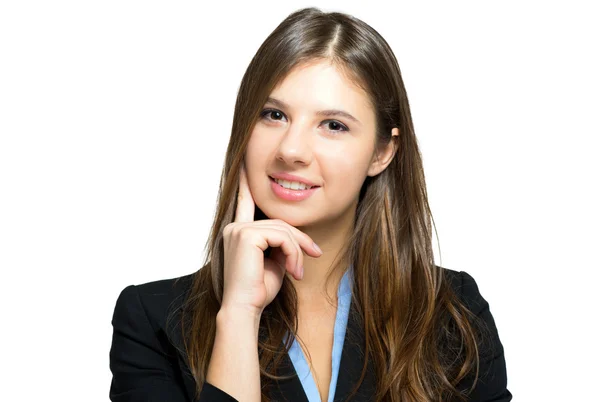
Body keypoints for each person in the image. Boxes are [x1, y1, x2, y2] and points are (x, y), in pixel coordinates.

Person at [109, 7, 511, 402]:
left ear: (383, 151)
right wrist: (238, 314)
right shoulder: (152, 321)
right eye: (273, 115)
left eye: (333, 125)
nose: (292, 149)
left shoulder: (453, 312)